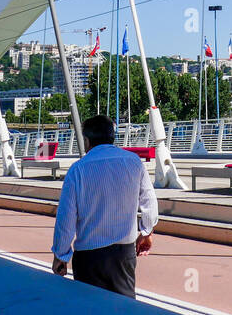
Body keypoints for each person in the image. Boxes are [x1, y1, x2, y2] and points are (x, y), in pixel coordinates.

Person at [51, 115, 157, 297]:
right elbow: (149, 201)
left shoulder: (78, 169)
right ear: (112, 136)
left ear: (86, 140)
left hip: (89, 256)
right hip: (123, 254)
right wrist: (146, 232)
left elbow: (66, 218)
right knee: (124, 311)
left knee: (91, 312)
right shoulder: (133, 162)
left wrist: (61, 255)